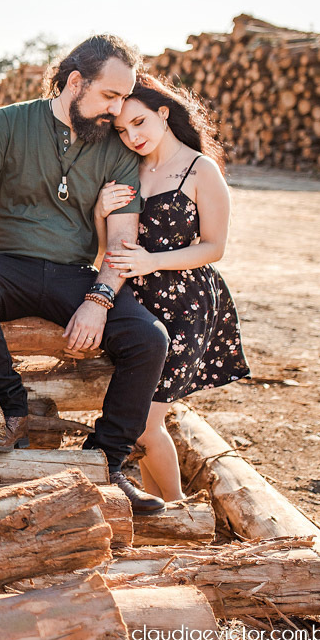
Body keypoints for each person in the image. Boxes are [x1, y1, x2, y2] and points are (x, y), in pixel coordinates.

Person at [0, 34, 170, 514]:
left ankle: (107, 465)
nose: (116, 111)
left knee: (149, 338)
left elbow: (124, 240)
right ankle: (12, 411)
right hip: (5, 264)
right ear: (74, 82)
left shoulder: (117, 149)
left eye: (122, 99)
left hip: (73, 275)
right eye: (109, 96)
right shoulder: (11, 121)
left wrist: (99, 299)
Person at [93, 74, 250, 501]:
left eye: (140, 123)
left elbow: (215, 247)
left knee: (145, 421)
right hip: (138, 304)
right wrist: (99, 212)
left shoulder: (201, 169)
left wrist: (152, 262)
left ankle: (181, 511)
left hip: (186, 304)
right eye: (123, 130)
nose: (132, 136)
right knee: (140, 414)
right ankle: (158, 510)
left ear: (164, 113)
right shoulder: (128, 168)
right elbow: (109, 250)